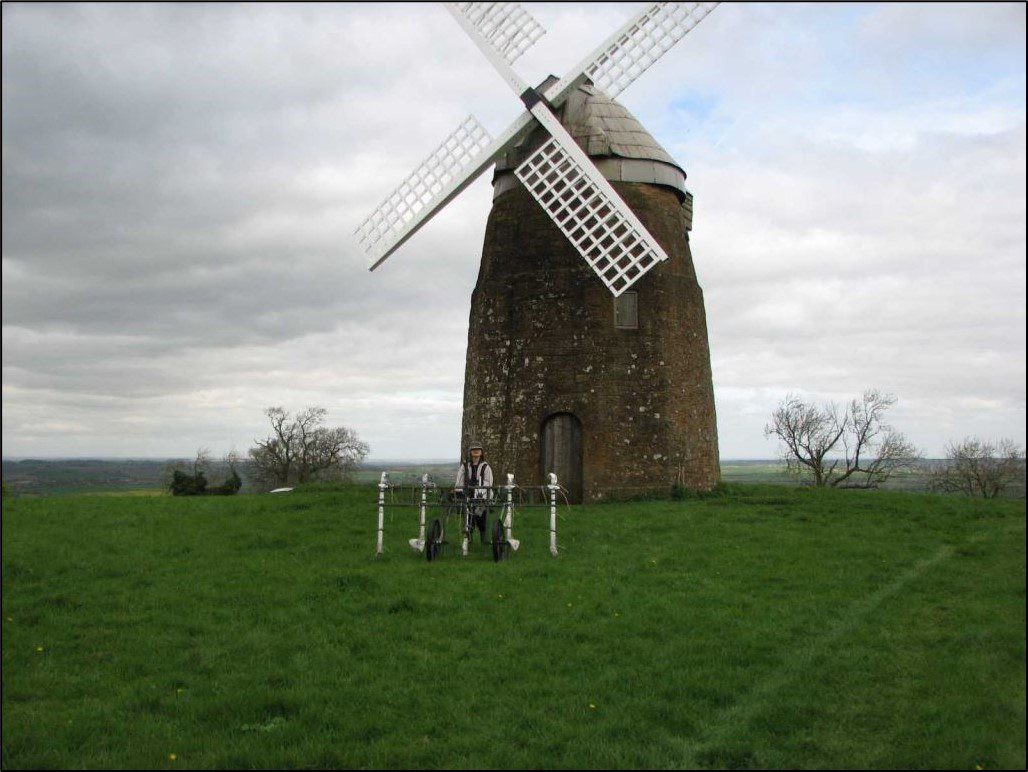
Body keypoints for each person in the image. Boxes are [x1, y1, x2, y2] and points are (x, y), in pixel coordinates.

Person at [454, 442, 493, 544]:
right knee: (468, 518)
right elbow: (459, 480)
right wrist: (459, 491)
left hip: (481, 496)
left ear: (481, 452)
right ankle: (468, 541)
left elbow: (488, 483)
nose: (476, 451)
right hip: (467, 494)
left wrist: (480, 494)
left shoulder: (486, 467)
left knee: (481, 519)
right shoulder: (465, 466)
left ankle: (484, 541)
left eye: (478, 450)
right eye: (473, 450)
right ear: (470, 452)